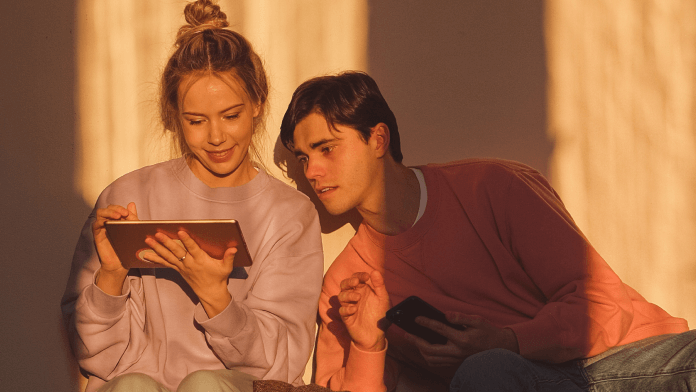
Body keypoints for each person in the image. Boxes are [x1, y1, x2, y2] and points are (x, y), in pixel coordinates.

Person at [279, 71, 696, 392]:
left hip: (625, 360)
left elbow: (600, 300)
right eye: (302, 159)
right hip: (511, 381)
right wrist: (370, 346)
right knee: (486, 370)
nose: (312, 172)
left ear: (378, 139)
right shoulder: (346, 284)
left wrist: (507, 339)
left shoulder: (493, 186)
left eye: (326, 149)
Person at [61, 1, 324, 391]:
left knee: (202, 384)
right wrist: (111, 277)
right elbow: (98, 357)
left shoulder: (288, 214)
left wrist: (217, 297)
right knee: (133, 385)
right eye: (196, 121)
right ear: (174, 116)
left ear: (257, 104)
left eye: (231, 116)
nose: (216, 137)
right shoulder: (128, 196)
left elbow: (279, 363)